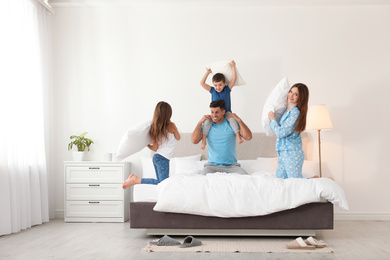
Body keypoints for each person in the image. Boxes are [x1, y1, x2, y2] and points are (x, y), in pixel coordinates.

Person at [122, 101, 180, 189]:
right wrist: (175, 129)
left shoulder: (154, 129)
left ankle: (136, 180)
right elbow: (178, 137)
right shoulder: (171, 125)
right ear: (169, 114)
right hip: (163, 158)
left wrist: (146, 144)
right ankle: (136, 180)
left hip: (157, 158)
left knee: (161, 183)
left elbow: (155, 148)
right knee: (163, 183)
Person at [191, 100, 252, 175]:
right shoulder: (207, 126)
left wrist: (239, 120)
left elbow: (248, 137)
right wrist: (200, 123)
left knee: (245, 177)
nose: (214, 115)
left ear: (223, 112)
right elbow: (194, 141)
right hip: (212, 166)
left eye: (217, 112)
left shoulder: (231, 124)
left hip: (231, 166)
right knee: (201, 179)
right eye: (212, 112)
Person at [268, 83, 309, 179]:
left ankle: (317, 180)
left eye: (295, 94)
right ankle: (314, 179)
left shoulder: (295, 113)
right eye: (290, 91)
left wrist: (272, 119)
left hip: (292, 153)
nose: (291, 95)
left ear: (301, 98)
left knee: (295, 182)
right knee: (280, 181)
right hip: (282, 151)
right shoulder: (287, 110)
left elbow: (281, 133)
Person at [199, 60, 243, 150]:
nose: (217, 87)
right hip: (215, 113)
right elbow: (202, 83)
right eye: (215, 85)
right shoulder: (212, 90)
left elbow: (234, 79)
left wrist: (233, 67)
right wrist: (207, 72)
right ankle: (203, 141)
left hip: (226, 112)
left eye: (220, 85)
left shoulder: (227, 89)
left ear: (224, 84)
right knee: (207, 122)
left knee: (232, 120)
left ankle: (238, 136)